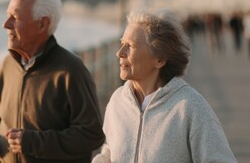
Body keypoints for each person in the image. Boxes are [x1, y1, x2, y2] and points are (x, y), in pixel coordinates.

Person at [0, 0, 105, 163]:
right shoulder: (7, 64)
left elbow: (92, 134)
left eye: (15, 17)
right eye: (7, 17)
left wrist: (32, 142)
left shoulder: (71, 70)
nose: (6, 25)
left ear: (42, 24)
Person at [92, 9, 237, 163]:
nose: (120, 53)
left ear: (159, 60)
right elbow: (110, 149)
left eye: (130, 46)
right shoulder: (117, 101)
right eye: (122, 43)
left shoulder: (190, 107)